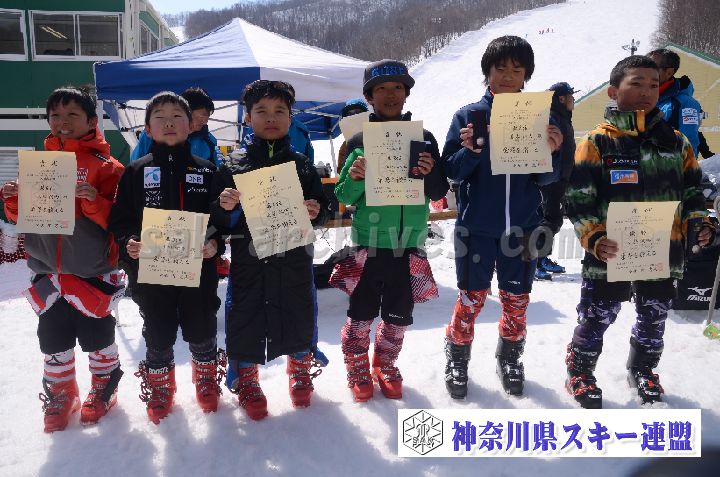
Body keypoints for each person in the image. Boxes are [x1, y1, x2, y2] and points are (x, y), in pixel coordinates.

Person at [564, 55, 713, 408]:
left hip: (662, 249)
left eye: (653, 84)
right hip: (610, 250)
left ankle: (643, 368)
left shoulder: (677, 143)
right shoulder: (597, 142)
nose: (646, 91)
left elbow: (693, 191)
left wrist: (698, 223)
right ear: (614, 91)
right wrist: (594, 238)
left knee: (654, 313)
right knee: (598, 313)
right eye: (636, 83)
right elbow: (579, 199)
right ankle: (580, 370)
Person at [441, 36, 564, 400]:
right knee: (471, 298)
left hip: (523, 229)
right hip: (476, 228)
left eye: (517, 69)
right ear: (488, 72)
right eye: (501, 69)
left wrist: (551, 151)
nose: (509, 76)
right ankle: (457, 357)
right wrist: (470, 150)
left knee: (516, 299)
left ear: (526, 75)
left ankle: (509, 357)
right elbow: (452, 172)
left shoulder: (541, 117)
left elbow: (547, 178)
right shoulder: (468, 116)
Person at [1, 86, 125, 432]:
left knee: (98, 335)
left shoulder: (108, 167)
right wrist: (12, 199)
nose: (62, 121)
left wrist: (93, 201)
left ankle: (104, 386)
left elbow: (119, 221)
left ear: (92, 120)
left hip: (91, 271)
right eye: (55, 115)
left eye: (72, 114)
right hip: (46, 271)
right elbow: (23, 217)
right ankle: (61, 392)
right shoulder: (40, 165)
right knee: (53, 338)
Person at [211, 80, 328, 420]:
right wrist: (224, 205)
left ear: (291, 118)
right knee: (246, 315)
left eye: (280, 111)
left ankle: (300, 369)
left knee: (298, 310)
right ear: (247, 118)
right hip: (249, 260)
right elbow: (218, 220)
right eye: (261, 111)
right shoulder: (232, 165)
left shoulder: (302, 164)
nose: (271, 117)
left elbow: (324, 208)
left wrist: (316, 210)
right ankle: (247, 379)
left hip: (294, 257)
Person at [333, 59, 448, 402]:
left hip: (409, 244)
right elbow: (343, 196)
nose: (390, 94)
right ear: (369, 96)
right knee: (360, 313)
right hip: (368, 244)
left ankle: (385, 362)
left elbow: (438, 191)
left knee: (399, 315)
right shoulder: (358, 140)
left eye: (397, 87)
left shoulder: (423, 138)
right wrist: (355, 176)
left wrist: (430, 171)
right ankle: (356, 365)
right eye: (381, 89)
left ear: (406, 93)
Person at [109, 91, 224, 423]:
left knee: (202, 324)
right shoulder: (135, 172)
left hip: (198, 270)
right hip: (152, 271)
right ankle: (160, 386)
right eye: (160, 117)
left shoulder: (207, 171)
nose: (169, 123)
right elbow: (121, 220)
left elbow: (219, 219)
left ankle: (206, 378)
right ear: (147, 128)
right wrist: (130, 241)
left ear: (191, 125)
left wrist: (214, 243)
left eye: (177, 117)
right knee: (157, 329)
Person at [535, 81, 577, 280]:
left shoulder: (563, 117)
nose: (573, 99)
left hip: (560, 178)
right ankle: (535, 260)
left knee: (552, 219)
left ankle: (542, 257)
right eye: (570, 95)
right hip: (550, 179)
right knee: (548, 220)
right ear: (561, 98)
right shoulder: (551, 117)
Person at [130, 87, 223, 166]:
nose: (205, 121)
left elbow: (220, 168)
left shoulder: (209, 140)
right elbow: (135, 164)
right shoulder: (154, 133)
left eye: (207, 116)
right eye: (202, 116)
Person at [647, 49, 703, 157]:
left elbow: (688, 149)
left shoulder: (686, 104)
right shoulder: (644, 100)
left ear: (669, 72)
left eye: (652, 67)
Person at [336, 98, 369, 174]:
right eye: (350, 114)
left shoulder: (379, 135)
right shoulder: (345, 145)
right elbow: (341, 173)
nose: (354, 116)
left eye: (358, 112)